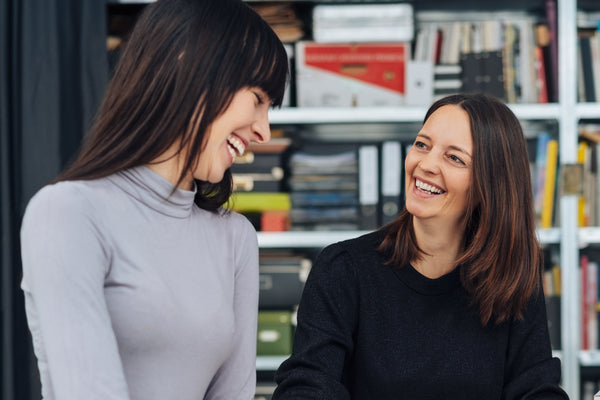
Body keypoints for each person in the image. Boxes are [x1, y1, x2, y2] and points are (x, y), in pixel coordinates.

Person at [19, 0, 289, 399]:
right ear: (188, 66)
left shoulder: (235, 239)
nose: (264, 131)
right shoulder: (68, 212)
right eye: (257, 99)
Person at [273, 93, 568, 400]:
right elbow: (308, 385)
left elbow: (535, 389)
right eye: (422, 145)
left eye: (454, 158)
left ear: (490, 185)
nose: (425, 164)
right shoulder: (343, 269)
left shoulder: (513, 274)